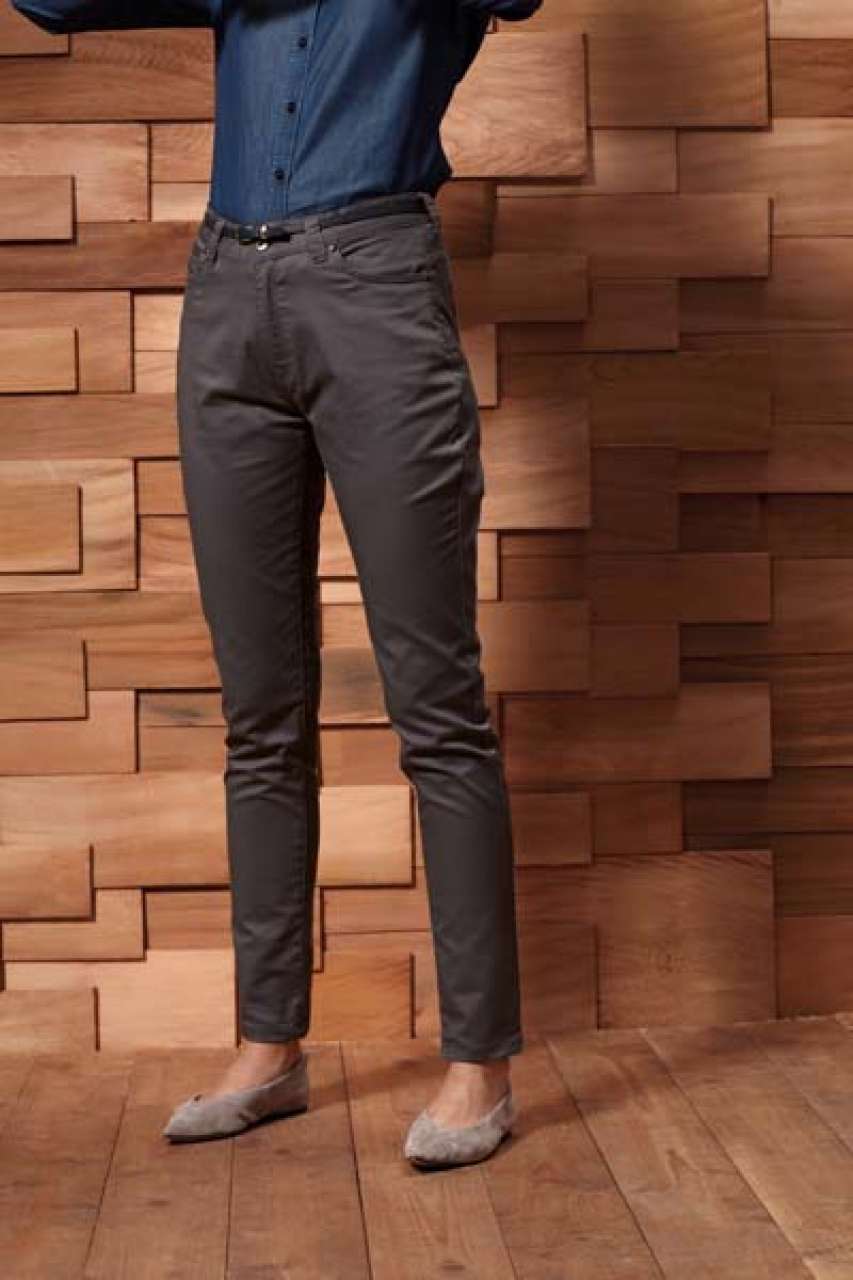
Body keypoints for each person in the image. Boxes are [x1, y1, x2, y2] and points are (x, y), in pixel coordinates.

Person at [12, 0, 542, 1168]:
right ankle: (269, 1046)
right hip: (225, 295)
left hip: (375, 286)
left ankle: (479, 1063)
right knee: (259, 712)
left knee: (436, 707)